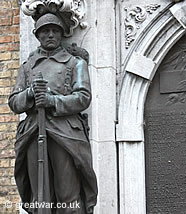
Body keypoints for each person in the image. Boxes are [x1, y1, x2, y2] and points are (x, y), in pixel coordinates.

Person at [8, 13, 97, 214]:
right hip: (33, 132)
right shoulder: (27, 67)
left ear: (61, 34)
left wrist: (52, 100)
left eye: (55, 31)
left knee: (68, 195)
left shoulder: (75, 63)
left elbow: (83, 97)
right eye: (45, 31)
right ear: (38, 35)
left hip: (65, 133)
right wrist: (30, 93)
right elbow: (14, 102)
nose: (50, 35)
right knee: (39, 196)